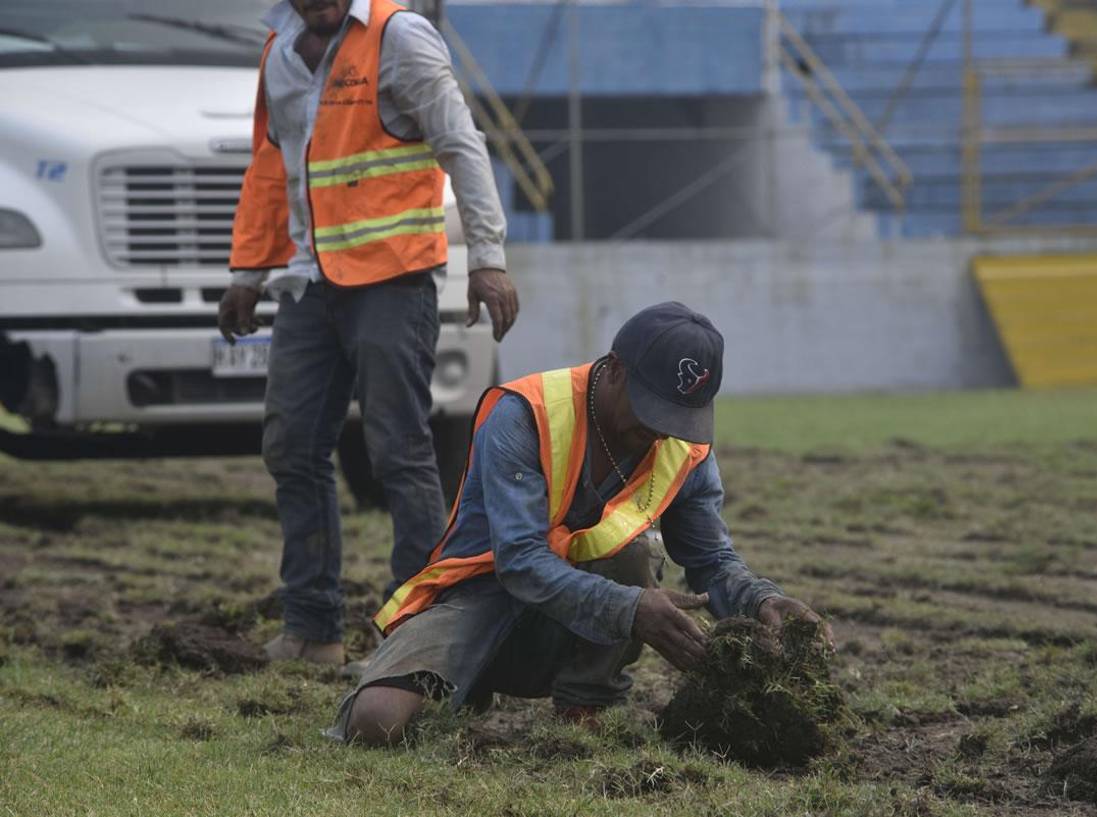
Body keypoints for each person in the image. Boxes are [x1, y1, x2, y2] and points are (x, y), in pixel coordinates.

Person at [329, 302, 835, 745]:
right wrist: (632, 610)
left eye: (678, 417)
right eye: (651, 407)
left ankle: (585, 701)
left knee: (632, 552)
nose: (661, 429)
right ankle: (469, 677)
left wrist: (762, 599)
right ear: (614, 369)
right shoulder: (524, 415)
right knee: (376, 723)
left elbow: (710, 559)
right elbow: (521, 564)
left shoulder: (683, 444)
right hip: (483, 595)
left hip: (577, 624)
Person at [217, 0, 518, 665]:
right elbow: (272, 168)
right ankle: (311, 627)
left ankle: (410, 635)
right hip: (308, 284)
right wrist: (247, 271)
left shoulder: (399, 37)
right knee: (291, 447)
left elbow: (461, 144)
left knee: (398, 454)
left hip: (393, 280)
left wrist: (488, 260)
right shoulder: (281, 52)